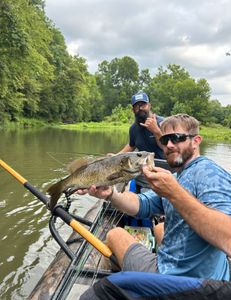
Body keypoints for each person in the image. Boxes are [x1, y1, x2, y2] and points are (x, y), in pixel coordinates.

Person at [77, 114, 231, 282]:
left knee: (115, 234)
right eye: (164, 140)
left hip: (181, 283)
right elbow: (142, 204)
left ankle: (129, 282)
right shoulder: (179, 175)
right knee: (159, 228)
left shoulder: (209, 174)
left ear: (196, 141)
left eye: (176, 138)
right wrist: (111, 194)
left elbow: (227, 238)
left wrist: (174, 192)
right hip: (197, 271)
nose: (169, 145)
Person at [109, 90, 165, 192]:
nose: (140, 108)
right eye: (137, 106)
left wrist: (156, 131)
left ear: (149, 105)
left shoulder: (163, 123)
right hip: (141, 174)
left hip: (161, 174)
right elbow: (131, 145)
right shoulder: (134, 128)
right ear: (133, 110)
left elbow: (167, 148)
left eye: (143, 105)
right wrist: (115, 157)